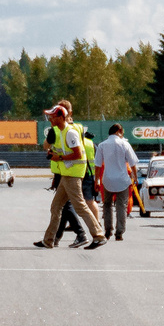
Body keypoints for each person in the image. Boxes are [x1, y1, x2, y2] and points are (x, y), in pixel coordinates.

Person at [35, 102, 105, 250]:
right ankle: (48, 240)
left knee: (79, 206)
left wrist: (59, 158)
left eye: (53, 117)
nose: (50, 119)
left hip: (73, 174)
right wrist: (55, 154)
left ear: (61, 117)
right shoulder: (60, 132)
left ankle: (99, 236)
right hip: (67, 174)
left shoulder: (70, 133)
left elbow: (78, 154)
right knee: (56, 206)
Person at [95, 123, 138, 241]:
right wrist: (135, 177)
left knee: (107, 205)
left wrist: (96, 180)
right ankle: (119, 232)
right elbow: (133, 163)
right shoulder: (125, 144)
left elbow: (98, 165)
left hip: (107, 180)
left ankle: (108, 230)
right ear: (119, 131)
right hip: (122, 180)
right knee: (121, 206)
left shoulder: (102, 145)